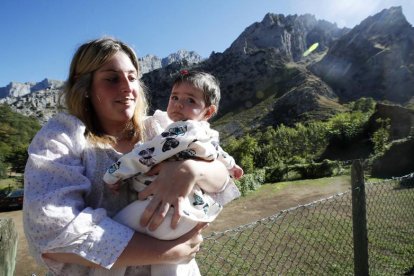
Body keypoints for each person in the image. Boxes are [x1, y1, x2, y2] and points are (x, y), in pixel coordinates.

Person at [23, 37, 240, 276]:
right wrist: (168, 252)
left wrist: (190, 170)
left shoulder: (158, 128)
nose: (127, 87)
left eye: (132, 77)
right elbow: (53, 230)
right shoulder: (62, 138)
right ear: (84, 86)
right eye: (112, 78)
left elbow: (222, 178)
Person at [96, 71, 243, 275]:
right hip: (190, 213)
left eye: (190, 100)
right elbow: (219, 153)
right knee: (168, 266)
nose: (178, 104)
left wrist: (114, 173)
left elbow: (146, 154)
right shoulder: (207, 133)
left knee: (112, 238)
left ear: (208, 112)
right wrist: (232, 166)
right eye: (175, 97)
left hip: (161, 208)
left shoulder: (180, 131)